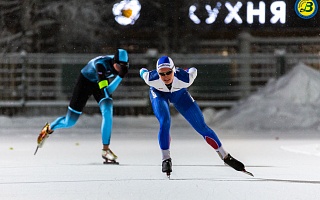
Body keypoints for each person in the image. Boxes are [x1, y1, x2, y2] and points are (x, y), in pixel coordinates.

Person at [139, 56, 252, 177]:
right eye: (162, 74)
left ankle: (225, 156)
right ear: (157, 72)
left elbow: (193, 70)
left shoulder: (185, 78)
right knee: (165, 121)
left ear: (174, 70)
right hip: (158, 93)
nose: (166, 76)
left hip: (179, 94)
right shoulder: (151, 78)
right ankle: (166, 159)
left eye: (169, 72)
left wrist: (186, 70)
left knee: (201, 126)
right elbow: (142, 71)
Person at [35, 49, 129, 164]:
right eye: (119, 66)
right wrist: (120, 77)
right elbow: (107, 90)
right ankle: (49, 128)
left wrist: (120, 74)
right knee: (70, 122)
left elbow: (105, 92)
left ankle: (105, 150)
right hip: (85, 82)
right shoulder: (101, 65)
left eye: (124, 66)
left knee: (108, 110)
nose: (121, 68)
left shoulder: (120, 64)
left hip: (100, 82)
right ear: (114, 62)